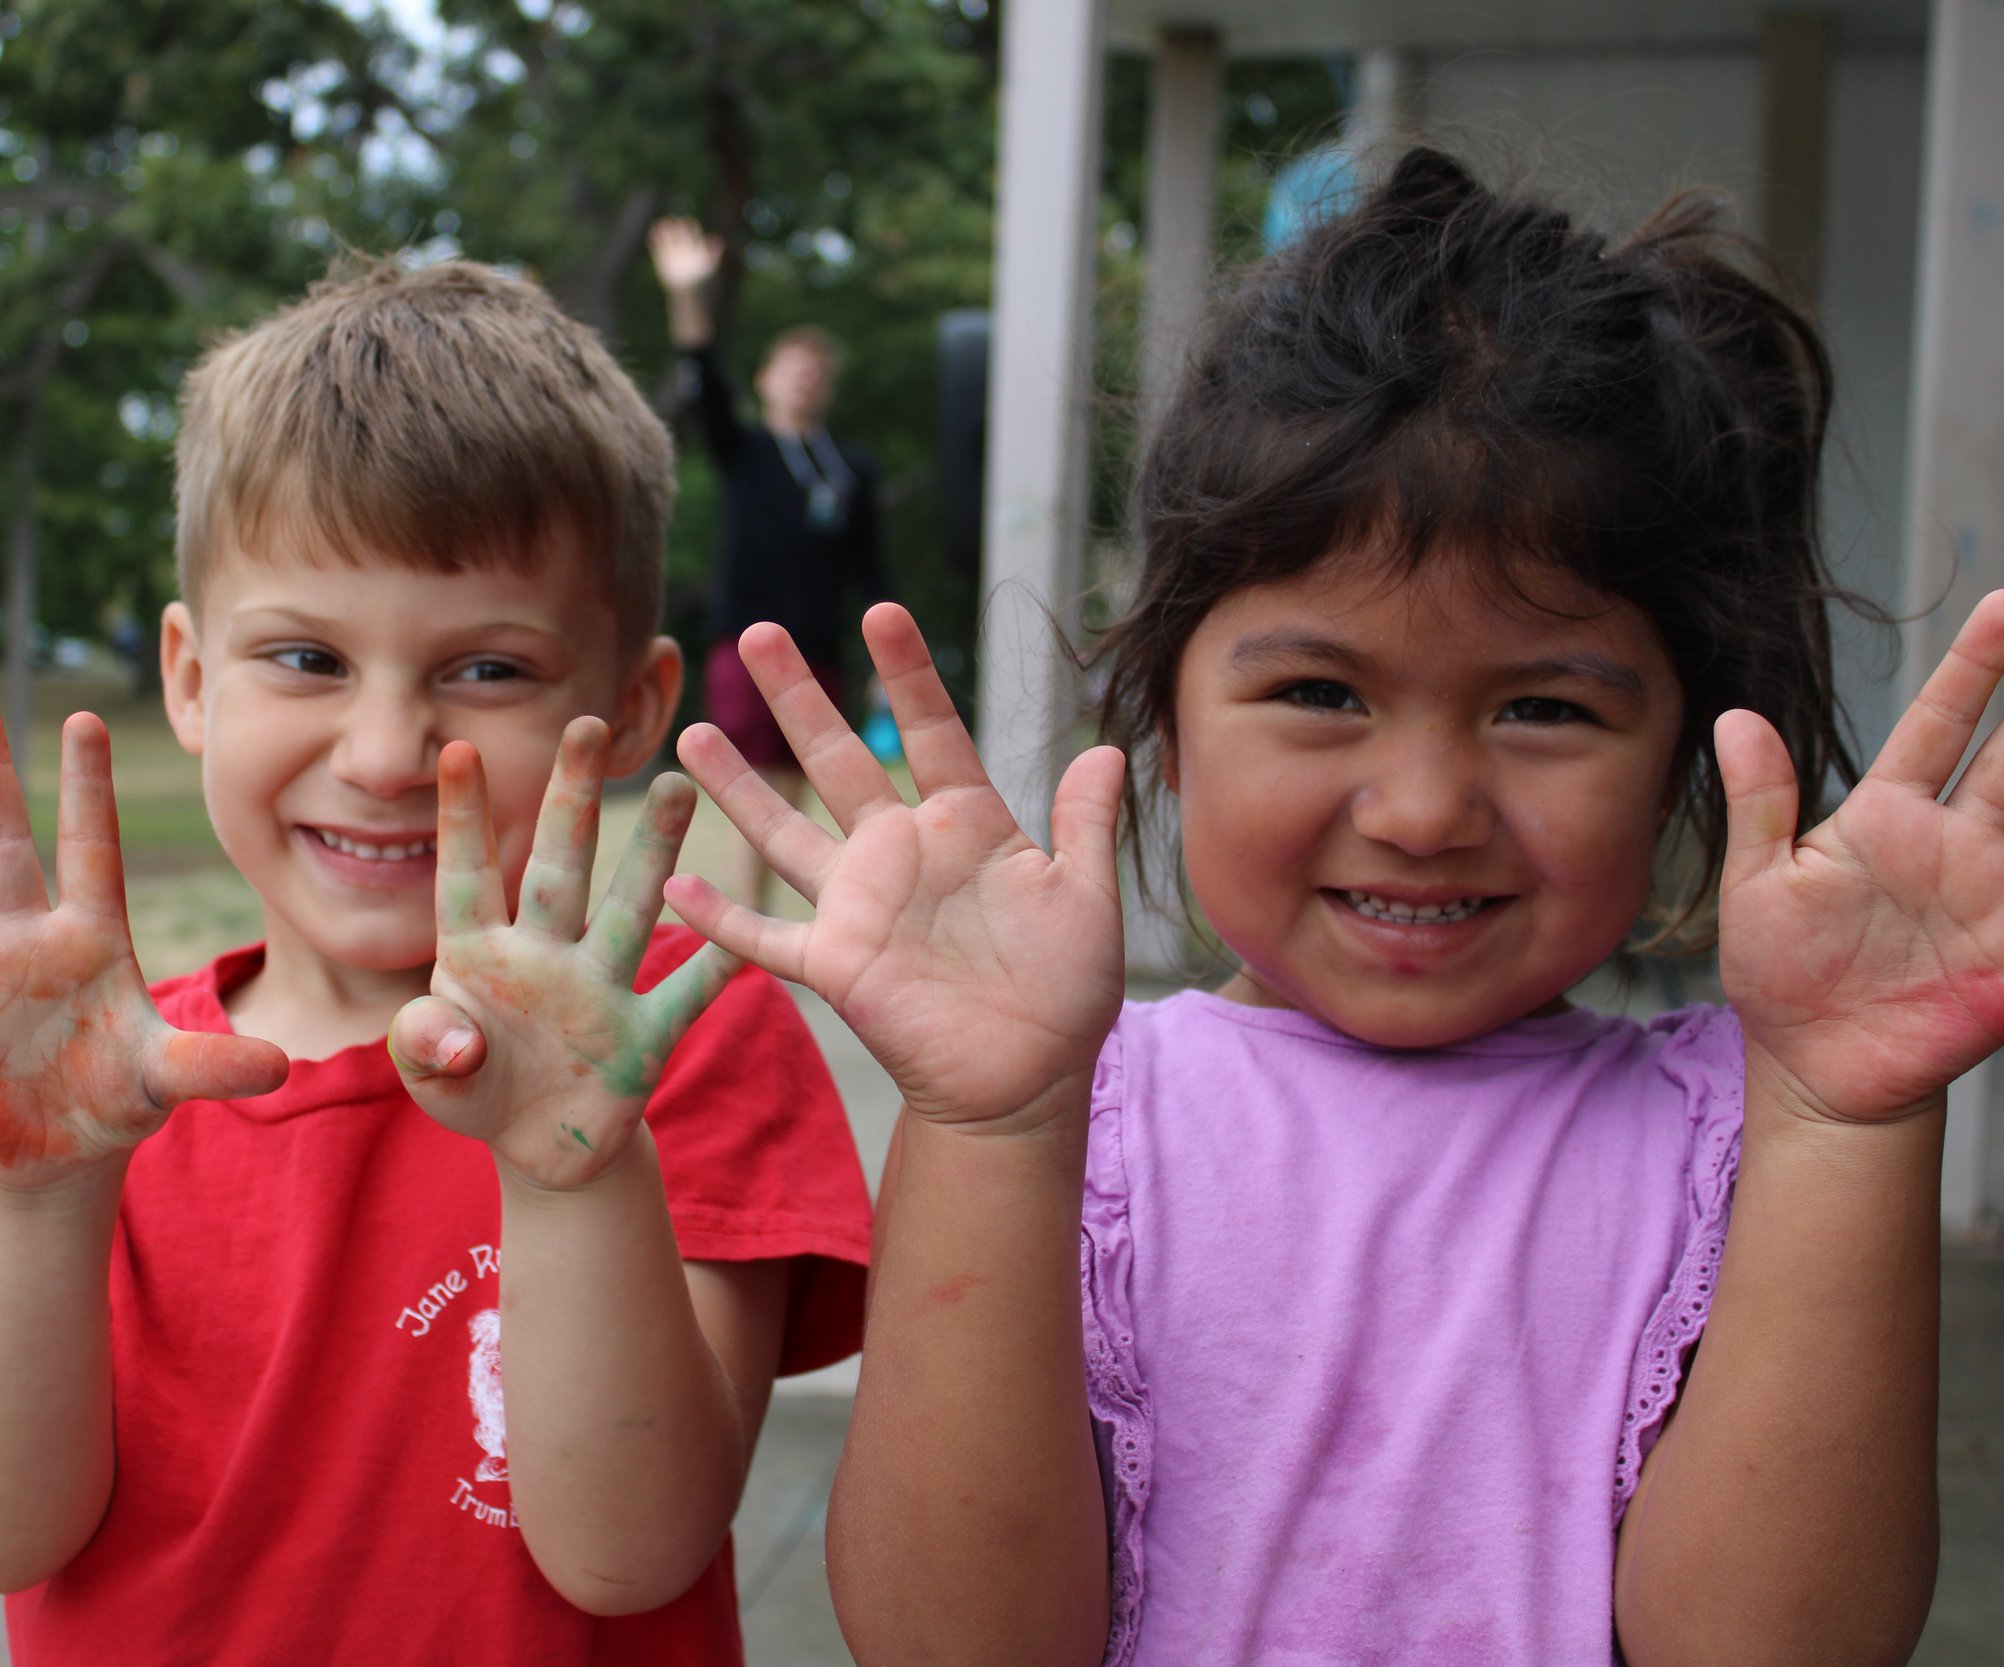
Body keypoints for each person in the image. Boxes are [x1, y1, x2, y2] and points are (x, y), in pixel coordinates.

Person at [664, 150, 1966, 1665]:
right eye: (1322, 689)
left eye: (1544, 706)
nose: (1422, 808)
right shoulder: (1073, 1112)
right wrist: (983, 1128)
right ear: (1162, 713)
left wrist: (1849, 1125)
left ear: (1685, 747)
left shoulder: (1755, 1135)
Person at [0, 258, 872, 1666]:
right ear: (187, 677)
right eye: (304, 656)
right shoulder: (81, 1085)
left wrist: (574, 1170)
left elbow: (628, 1550)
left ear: (632, 700)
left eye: (487, 669)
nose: (380, 754)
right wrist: (28, 1191)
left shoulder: (670, 1040)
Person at [649, 216, 892, 909]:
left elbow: (873, 569)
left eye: (817, 371)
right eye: (793, 366)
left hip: (819, 646)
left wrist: (882, 662)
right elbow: (703, 381)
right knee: (749, 780)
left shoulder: (852, 469)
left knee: (797, 782)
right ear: (766, 380)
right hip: (746, 641)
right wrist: (688, 296)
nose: (806, 379)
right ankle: (745, 931)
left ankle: (774, 923)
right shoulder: (747, 450)